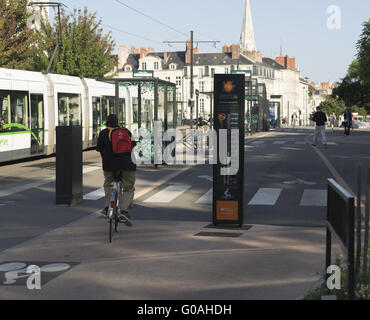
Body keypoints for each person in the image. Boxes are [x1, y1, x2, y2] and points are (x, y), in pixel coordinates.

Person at [96, 114, 136, 226]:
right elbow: (134, 146)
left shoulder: (103, 133)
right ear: (118, 123)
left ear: (107, 123)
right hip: (127, 165)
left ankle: (107, 207)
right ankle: (124, 211)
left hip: (109, 165)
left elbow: (99, 148)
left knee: (108, 183)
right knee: (128, 187)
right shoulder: (126, 132)